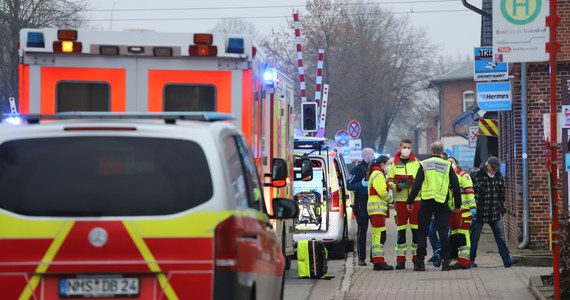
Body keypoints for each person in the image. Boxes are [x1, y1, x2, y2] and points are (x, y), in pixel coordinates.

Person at [406, 141, 461, 271]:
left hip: (426, 202)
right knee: (443, 231)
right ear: (442, 152)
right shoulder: (448, 165)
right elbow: (456, 186)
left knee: (422, 231)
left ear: (431, 151)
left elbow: (417, 184)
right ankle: (446, 262)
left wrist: (410, 201)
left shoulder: (424, 164)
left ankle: (420, 262)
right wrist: (457, 204)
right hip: (442, 202)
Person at [470, 156, 519, 268]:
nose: (495, 171)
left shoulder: (498, 176)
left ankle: (507, 260)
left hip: (494, 212)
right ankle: (471, 260)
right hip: (479, 212)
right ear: (487, 166)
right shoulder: (475, 174)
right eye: (493, 168)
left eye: (496, 169)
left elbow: (501, 193)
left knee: (501, 237)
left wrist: (501, 206)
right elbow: (469, 190)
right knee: (474, 238)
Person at [387, 137, 421, 270]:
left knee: (416, 232)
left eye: (408, 148)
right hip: (400, 202)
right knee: (401, 231)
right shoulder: (393, 165)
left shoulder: (418, 164)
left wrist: (414, 185)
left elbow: (422, 181)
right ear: (400, 148)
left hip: (416, 201)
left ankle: (416, 259)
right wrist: (397, 186)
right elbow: (388, 181)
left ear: (411, 149)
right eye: (404, 147)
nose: (406, 150)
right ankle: (400, 260)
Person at [347, 148, 376, 266]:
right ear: (365, 156)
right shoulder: (357, 170)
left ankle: (374, 256)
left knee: (377, 231)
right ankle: (361, 258)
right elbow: (349, 185)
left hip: (374, 203)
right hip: (361, 204)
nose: (373, 156)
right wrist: (361, 184)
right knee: (362, 231)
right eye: (371, 154)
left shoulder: (376, 168)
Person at [447, 157, 476, 269]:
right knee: (454, 235)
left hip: (463, 211)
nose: (450, 164)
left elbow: (469, 192)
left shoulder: (464, 176)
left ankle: (464, 262)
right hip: (452, 211)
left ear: (457, 164)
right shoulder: (447, 177)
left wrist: (473, 207)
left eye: (452, 162)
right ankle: (458, 258)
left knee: (463, 234)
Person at [367, 155, 394, 271]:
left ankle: (376, 259)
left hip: (376, 208)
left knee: (377, 234)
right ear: (382, 164)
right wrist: (392, 200)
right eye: (388, 164)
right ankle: (378, 262)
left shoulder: (377, 174)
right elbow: (382, 192)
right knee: (379, 235)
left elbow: (385, 186)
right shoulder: (378, 175)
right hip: (377, 208)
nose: (389, 166)